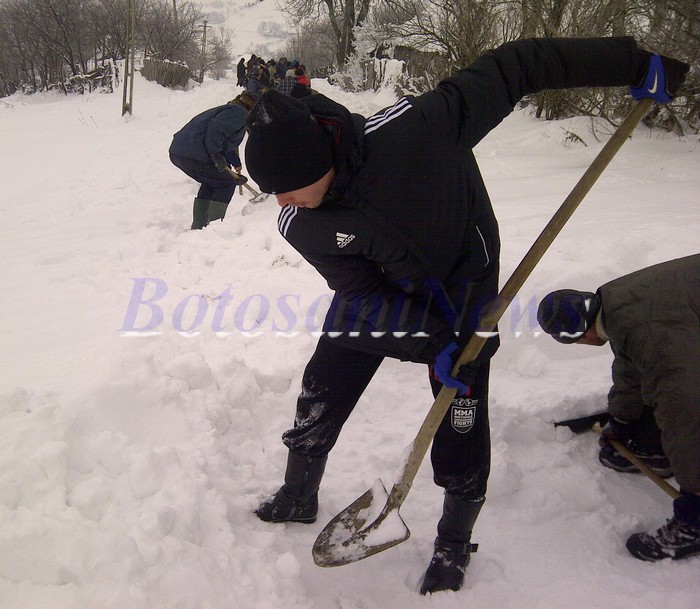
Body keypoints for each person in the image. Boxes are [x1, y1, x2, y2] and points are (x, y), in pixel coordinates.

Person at [243, 39, 689, 592]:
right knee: (322, 384)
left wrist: (634, 62)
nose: (280, 202)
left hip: (462, 298)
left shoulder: (420, 131)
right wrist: (430, 344)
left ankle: (453, 543)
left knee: (461, 422)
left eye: (286, 188)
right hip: (379, 296)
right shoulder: (301, 222)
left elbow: (517, 67)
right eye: (271, 193)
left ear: (318, 162)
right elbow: (360, 291)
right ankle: (298, 493)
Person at [537, 254, 700, 562]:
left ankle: (695, 526)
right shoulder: (616, 302)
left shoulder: (649, 332)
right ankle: (655, 449)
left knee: (680, 404)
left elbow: (684, 408)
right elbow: (631, 366)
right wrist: (622, 422)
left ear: (580, 337)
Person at [169, 91, 258, 229]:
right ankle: (214, 229)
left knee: (212, 182)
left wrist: (235, 163)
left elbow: (224, 143)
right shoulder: (239, 112)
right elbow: (216, 130)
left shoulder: (232, 110)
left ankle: (200, 227)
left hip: (181, 151)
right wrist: (217, 157)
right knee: (226, 183)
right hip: (193, 152)